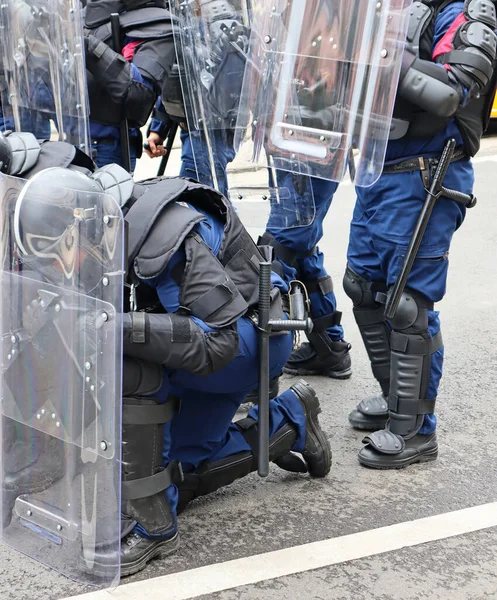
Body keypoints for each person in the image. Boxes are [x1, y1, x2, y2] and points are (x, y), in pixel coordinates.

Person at [5, 130, 332, 576]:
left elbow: (219, 342)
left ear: (77, 229)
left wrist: (114, 329)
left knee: (123, 362)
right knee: (177, 473)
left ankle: (152, 524)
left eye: (58, 254)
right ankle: (291, 420)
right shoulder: (92, 218)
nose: (58, 269)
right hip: (196, 341)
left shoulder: (167, 233)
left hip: (250, 339)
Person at [343, 0, 497, 468]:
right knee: (363, 288)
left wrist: (382, 54)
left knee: (408, 305)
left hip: (427, 173)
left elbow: (455, 89)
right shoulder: (387, 8)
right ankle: (397, 400)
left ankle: (415, 430)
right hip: (376, 169)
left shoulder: (465, 12)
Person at [83, 0, 178, 169]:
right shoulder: (83, 19)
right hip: (72, 140)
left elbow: (138, 94)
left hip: (108, 147)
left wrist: (92, 49)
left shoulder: (159, 25)